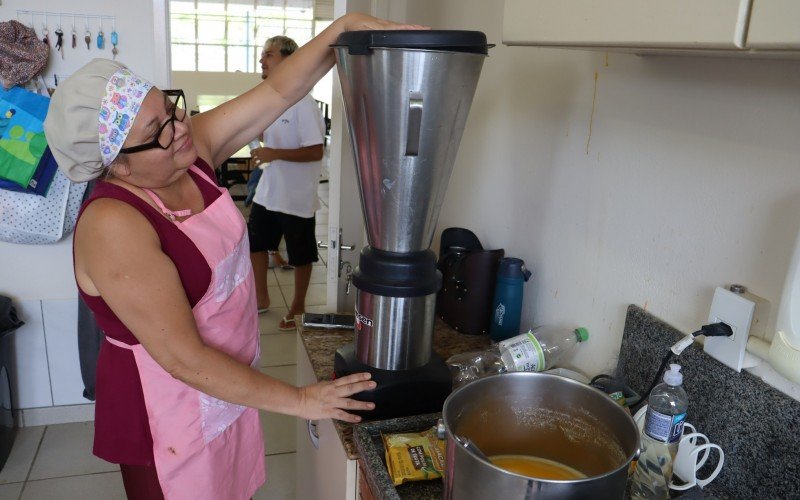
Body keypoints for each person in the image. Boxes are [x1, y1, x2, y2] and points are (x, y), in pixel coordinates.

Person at [43, 13, 426, 500]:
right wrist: (302, 400)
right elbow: (184, 359)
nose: (179, 130)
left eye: (172, 109)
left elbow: (279, 93)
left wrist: (341, 29)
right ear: (115, 163)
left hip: (227, 387)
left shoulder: (190, 151)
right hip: (169, 407)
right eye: (157, 131)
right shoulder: (113, 225)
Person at [248, 35, 322, 326]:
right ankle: (261, 298)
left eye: (269, 54)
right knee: (255, 245)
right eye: (263, 54)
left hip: (296, 196)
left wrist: (273, 152)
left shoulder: (304, 102)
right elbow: (268, 135)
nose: (262, 60)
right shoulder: (272, 98)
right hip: (270, 190)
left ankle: (299, 306)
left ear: (289, 59)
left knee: (300, 255)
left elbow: (316, 151)